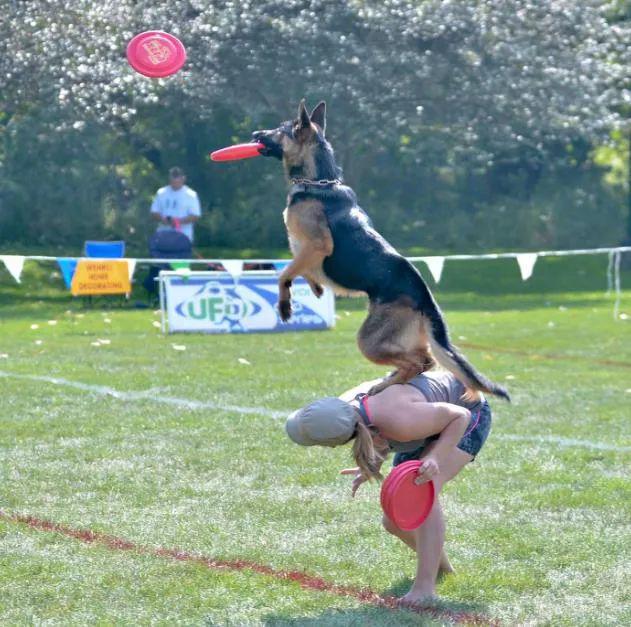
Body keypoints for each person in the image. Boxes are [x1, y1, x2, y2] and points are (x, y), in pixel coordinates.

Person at [285, 369, 492, 606]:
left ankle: (425, 589)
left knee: (425, 485)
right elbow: (374, 428)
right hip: (429, 420)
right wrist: (371, 463)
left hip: (468, 410)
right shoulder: (348, 411)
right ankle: (441, 571)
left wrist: (435, 457)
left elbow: (460, 415)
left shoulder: (400, 421)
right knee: (393, 522)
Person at [150, 167, 201, 243]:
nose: (175, 183)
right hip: (163, 235)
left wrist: (178, 221)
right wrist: (163, 219)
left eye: (177, 181)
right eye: (173, 181)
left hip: (183, 236)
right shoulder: (161, 193)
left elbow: (195, 215)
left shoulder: (191, 195)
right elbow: (154, 212)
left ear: (183, 179)